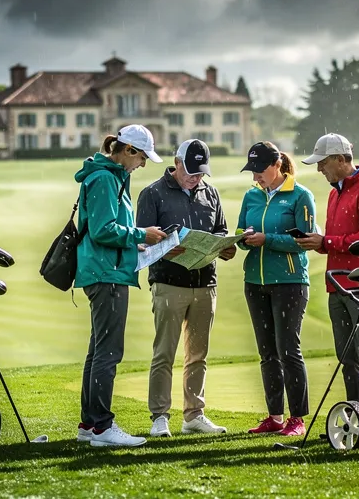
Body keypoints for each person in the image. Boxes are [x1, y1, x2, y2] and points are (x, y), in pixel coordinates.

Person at [73, 124, 167, 448]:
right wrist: (142, 234)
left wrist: (135, 244)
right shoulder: (104, 178)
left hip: (106, 269)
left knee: (98, 350)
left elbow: (111, 230)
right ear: (128, 150)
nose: (142, 164)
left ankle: (89, 425)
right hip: (106, 274)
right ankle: (102, 427)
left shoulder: (112, 176)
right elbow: (102, 230)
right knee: (108, 352)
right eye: (141, 157)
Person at [296, 133, 359, 442]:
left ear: (340, 159)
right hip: (337, 284)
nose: (319, 169)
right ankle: (357, 418)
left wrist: (327, 242)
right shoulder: (334, 193)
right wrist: (321, 243)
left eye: (323, 163)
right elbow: (338, 240)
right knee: (348, 356)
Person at [136, 139, 235, 437]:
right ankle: (159, 416)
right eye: (191, 172)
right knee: (164, 353)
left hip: (206, 283)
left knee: (198, 355)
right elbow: (142, 241)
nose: (196, 178)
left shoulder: (210, 193)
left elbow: (220, 230)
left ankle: (194, 415)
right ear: (177, 163)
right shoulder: (152, 193)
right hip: (168, 282)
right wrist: (166, 248)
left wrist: (225, 247)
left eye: (201, 172)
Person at [237, 141, 316, 437]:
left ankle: (297, 419)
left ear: (277, 165)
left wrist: (267, 239)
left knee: (288, 351)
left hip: (289, 283)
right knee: (267, 352)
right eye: (252, 170)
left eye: (260, 170)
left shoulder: (300, 195)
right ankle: (274, 416)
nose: (255, 176)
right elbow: (241, 229)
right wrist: (242, 238)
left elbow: (305, 241)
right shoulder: (251, 196)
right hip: (255, 282)